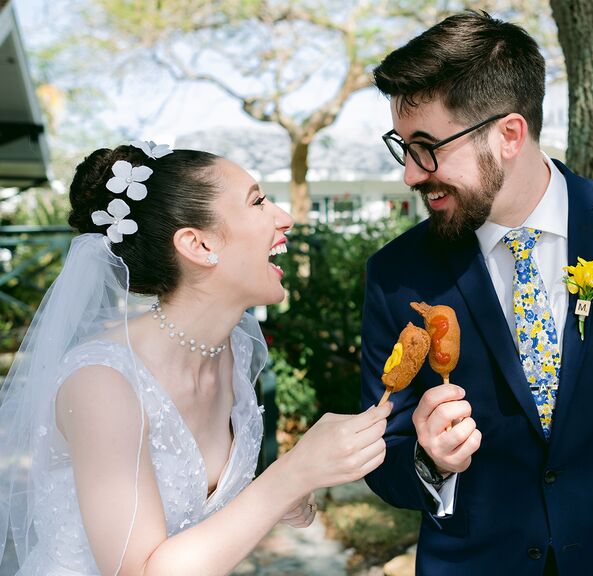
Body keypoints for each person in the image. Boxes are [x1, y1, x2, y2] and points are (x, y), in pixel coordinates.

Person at [360, 11, 593, 576]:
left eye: (427, 147)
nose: (411, 175)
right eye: (403, 147)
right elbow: (382, 457)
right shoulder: (397, 274)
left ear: (509, 134)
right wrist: (427, 461)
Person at [0, 142, 391, 576]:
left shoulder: (234, 349)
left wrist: (277, 498)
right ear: (198, 244)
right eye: (258, 202)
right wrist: (290, 476)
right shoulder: (102, 383)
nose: (285, 218)